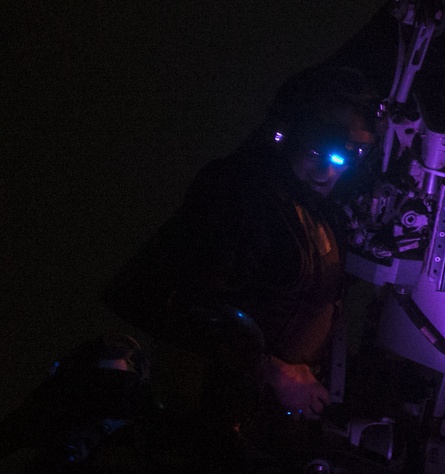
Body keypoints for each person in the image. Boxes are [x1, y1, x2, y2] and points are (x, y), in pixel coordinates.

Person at [104, 64, 377, 422]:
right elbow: (149, 297)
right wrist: (270, 369)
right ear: (286, 135)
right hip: (211, 421)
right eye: (314, 153)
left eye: (344, 158)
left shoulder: (323, 209)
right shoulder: (238, 194)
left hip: (274, 422)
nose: (327, 173)